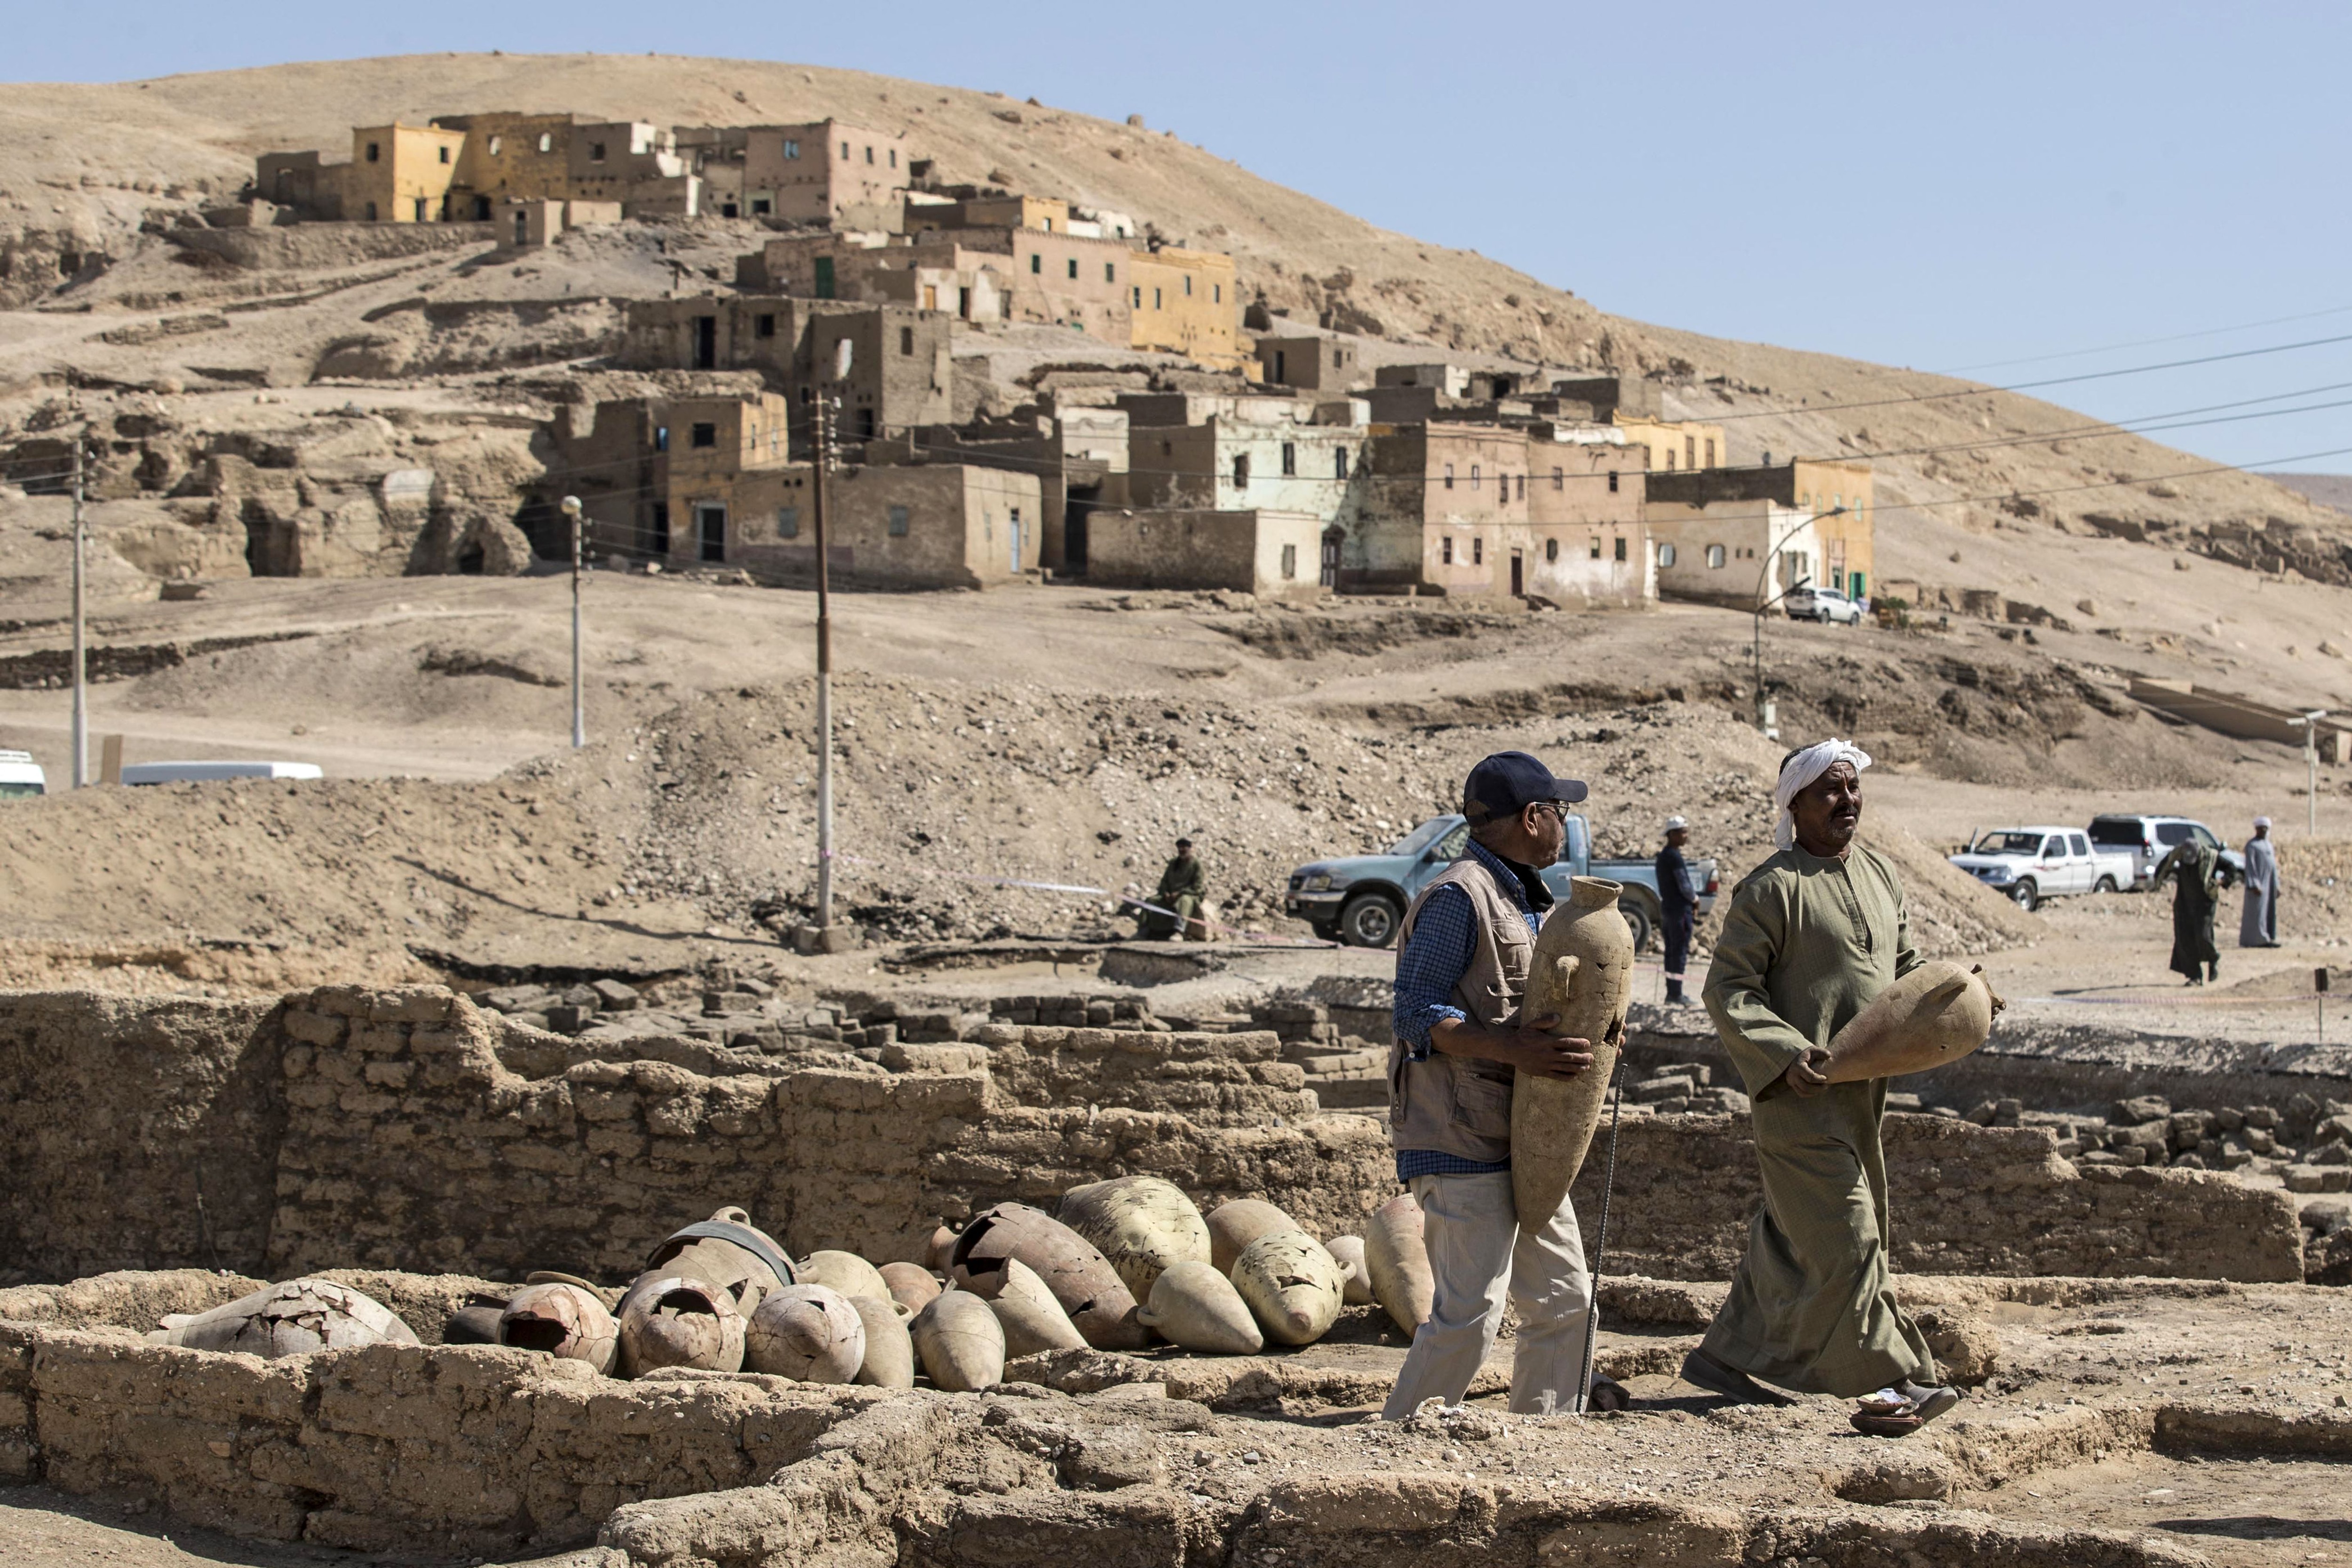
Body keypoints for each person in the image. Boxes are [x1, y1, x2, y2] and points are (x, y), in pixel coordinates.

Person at [1680, 738, 1959, 1438]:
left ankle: (1725, 1355)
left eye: (1852, 787)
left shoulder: (1880, 874)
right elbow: (1728, 988)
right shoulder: (1770, 888)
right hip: (1796, 1100)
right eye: (1830, 790)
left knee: (1791, 1237)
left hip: (1862, 1098)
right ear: (1795, 805)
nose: (1847, 800)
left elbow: (1904, 970)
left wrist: (1957, 998)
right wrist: (1785, 1053)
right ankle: (1895, 1382)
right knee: (1849, 1236)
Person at [1382, 750, 1629, 1417]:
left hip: (1523, 1138)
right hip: (1459, 1137)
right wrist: (1515, 1048)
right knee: (1471, 1315)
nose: (1563, 826)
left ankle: (1546, 1440)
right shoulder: (1460, 896)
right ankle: (1398, 1445)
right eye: (1560, 812)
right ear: (1533, 817)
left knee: (1567, 1302)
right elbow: (1415, 1012)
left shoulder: (1521, 899)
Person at [2161, 835, 2222, 984]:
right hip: (2185, 905)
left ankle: (2213, 959)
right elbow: (2164, 866)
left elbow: (2231, 868)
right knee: (2185, 940)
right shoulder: (2178, 855)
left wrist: (2221, 882)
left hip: (2205, 905)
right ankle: (2195, 976)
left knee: (2204, 936)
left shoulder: (2211, 857)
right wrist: (2160, 879)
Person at [1656, 816, 1699, 1005]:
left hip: (1668, 910)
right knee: (1679, 952)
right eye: (1683, 832)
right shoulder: (1674, 857)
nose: (1686, 836)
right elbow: (1685, 886)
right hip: (1680, 912)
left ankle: (1672, 992)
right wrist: (1695, 900)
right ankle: (1676, 994)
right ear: (1672, 834)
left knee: (1671, 952)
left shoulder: (1664, 856)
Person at [1138, 838, 1208, 940]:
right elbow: (1164, 881)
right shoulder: (1173, 863)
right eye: (1180, 848)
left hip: (1189, 896)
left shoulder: (1197, 865)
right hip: (1170, 896)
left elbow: (1197, 887)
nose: (1182, 850)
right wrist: (1166, 893)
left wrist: (1180, 893)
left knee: (1185, 901)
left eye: (1184, 848)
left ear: (1190, 849)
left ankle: (1179, 931)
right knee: (1150, 901)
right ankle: (1143, 931)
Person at [2240, 817, 2280, 949]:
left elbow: (2273, 867)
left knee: (2268, 911)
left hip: (2269, 884)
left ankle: (2268, 936)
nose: (2263, 831)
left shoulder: (2269, 845)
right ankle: (2256, 939)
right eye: (2261, 829)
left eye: (2265, 829)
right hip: (2258, 885)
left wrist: (2276, 885)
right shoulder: (2252, 846)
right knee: (2257, 912)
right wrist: (2254, 884)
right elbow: (2250, 867)